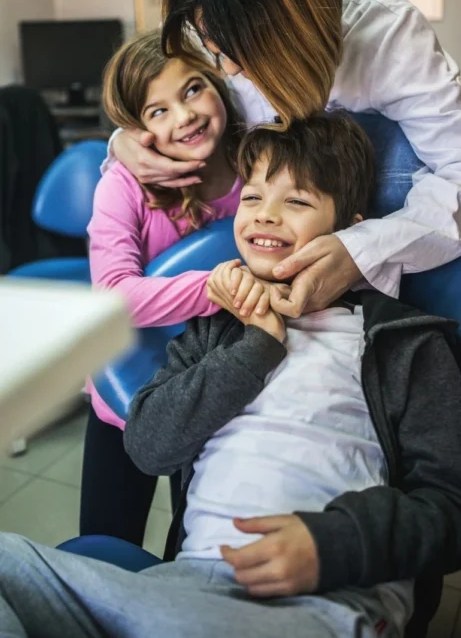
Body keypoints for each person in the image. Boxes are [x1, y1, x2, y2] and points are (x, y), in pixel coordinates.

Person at [2, 114, 461, 638]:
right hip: (182, 588)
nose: (265, 217)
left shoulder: (405, 342)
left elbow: (449, 505)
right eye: (252, 198)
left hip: (323, 602)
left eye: (297, 201)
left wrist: (333, 545)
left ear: (351, 230)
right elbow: (149, 447)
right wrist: (256, 348)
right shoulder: (215, 330)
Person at [107, 0, 461, 318]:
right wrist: (123, 143)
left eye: (240, 50)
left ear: (298, 25)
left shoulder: (387, 34)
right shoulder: (212, 30)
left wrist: (361, 251)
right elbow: (166, 105)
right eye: (212, 47)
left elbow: (457, 169)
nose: (229, 70)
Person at [81, 30, 253, 546]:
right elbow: (114, 296)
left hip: (214, 392)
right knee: (104, 546)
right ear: (136, 130)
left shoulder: (262, 167)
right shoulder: (124, 185)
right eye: (157, 111)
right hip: (127, 390)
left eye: (193, 89)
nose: (185, 116)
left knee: (194, 539)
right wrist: (223, 286)